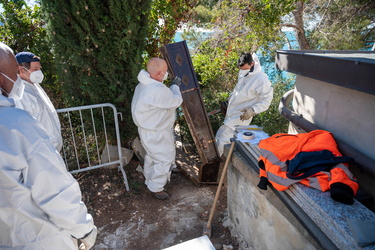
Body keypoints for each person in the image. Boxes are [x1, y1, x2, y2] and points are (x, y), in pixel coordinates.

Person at [0, 42, 97, 249]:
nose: (39, 73)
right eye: (35, 70)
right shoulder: (16, 121)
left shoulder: (33, 89)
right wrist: (83, 229)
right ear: (17, 71)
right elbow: (51, 189)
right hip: (36, 235)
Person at [131, 58, 183, 200]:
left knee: (153, 156)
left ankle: (150, 178)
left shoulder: (143, 84)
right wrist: (174, 87)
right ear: (159, 73)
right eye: (165, 72)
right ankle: (156, 187)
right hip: (157, 132)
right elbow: (175, 101)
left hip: (148, 130)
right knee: (163, 159)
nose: (166, 74)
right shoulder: (155, 89)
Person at [215, 52, 273, 156]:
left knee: (222, 137)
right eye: (242, 68)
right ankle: (223, 162)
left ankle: (217, 161)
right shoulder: (244, 71)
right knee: (227, 139)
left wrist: (253, 110)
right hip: (232, 111)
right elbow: (239, 91)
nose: (243, 70)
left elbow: (266, 100)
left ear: (252, 64)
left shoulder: (261, 79)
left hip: (242, 115)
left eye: (245, 68)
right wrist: (229, 102)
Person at [14, 51, 63, 152]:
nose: (39, 72)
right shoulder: (19, 93)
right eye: (35, 69)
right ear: (21, 69)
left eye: (39, 68)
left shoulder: (34, 86)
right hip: (40, 153)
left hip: (50, 150)